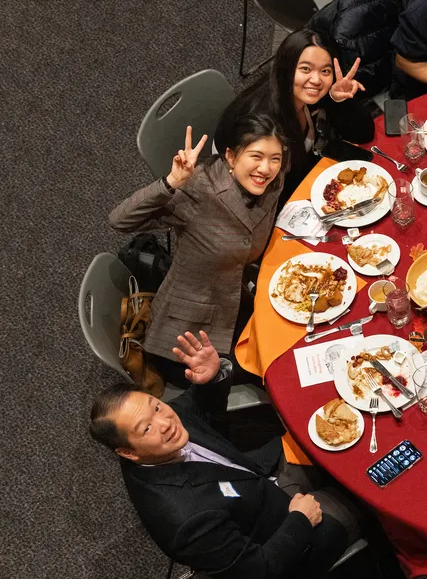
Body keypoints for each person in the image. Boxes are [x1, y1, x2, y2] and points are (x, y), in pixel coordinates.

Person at [89, 331, 361, 579]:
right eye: (146, 428)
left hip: (260, 478)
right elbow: (260, 570)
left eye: (156, 407)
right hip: (288, 536)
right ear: (127, 452)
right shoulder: (186, 521)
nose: (165, 422)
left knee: (335, 429)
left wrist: (212, 378)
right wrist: (300, 521)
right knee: (367, 492)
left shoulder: (163, 424)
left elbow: (201, 411)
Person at [109, 116, 286, 385]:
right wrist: (170, 182)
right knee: (277, 372)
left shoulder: (272, 181)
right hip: (189, 339)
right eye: (256, 156)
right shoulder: (199, 190)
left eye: (275, 158)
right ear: (230, 156)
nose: (266, 168)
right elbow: (119, 220)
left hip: (238, 301)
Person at [217, 30, 373, 204]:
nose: (316, 79)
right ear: (287, 68)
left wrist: (338, 100)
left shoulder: (310, 96)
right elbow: (255, 190)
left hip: (297, 181)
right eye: (305, 69)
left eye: (325, 71)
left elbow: (364, 134)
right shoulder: (264, 124)